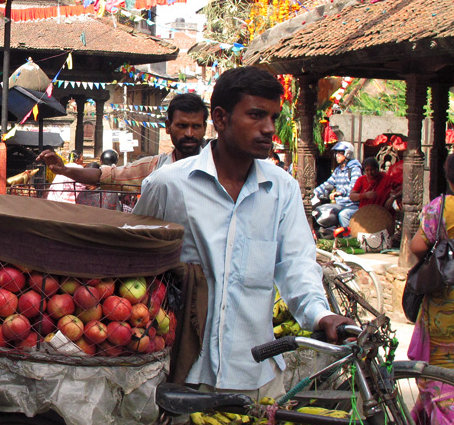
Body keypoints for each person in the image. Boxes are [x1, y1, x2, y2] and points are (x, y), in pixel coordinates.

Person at [133, 67, 352, 398]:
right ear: (221, 119)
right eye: (256, 115)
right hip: (184, 372)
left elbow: (296, 264)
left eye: (273, 118)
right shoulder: (170, 185)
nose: (268, 129)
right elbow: (137, 258)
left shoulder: (282, 190)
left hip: (258, 375)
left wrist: (321, 315)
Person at [36, 92, 209, 189]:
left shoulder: (217, 169)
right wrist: (65, 170)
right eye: (182, 126)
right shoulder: (154, 168)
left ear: (204, 127)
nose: (189, 133)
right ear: (168, 127)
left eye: (196, 126)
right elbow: (104, 176)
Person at [410, 154, 454, 425]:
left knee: (440, 369)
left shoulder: (441, 208)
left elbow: (416, 246)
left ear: (449, 175)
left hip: (444, 306)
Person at [312, 141, 362, 228]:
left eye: (340, 153)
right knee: (321, 211)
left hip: (352, 205)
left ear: (348, 154)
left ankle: (348, 237)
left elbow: (355, 186)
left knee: (343, 215)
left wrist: (340, 192)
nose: (337, 155)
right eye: (336, 153)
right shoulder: (338, 170)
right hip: (340, 204)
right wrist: (314, 192)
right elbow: (328, 183)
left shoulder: (355, 169)